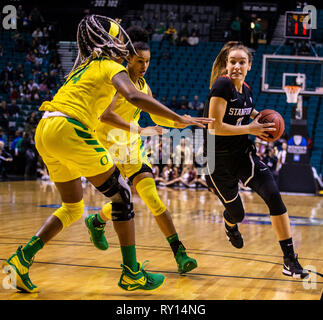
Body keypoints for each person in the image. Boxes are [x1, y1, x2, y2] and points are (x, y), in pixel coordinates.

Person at [3, 15, 209, 294]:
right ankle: (132, 274)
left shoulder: (86, 65)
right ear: (110, 42)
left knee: (73, 207)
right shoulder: (110, 65)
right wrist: (177, 118)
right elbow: (133, 98)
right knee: (123, 195)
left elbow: (139, 99)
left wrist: (177, 120)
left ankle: (21, 260)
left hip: (47, 128)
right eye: (121, 39)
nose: (125, 45)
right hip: (71, 129)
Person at [87, 26, 200, 274]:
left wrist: (183, 120)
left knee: (152, 199)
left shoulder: (144, 86)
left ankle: (180, 253)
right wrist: (138, 130)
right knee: (124, 201)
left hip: (131, 149)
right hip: (106, 147)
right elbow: (106, 115)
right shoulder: (116, 81)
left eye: (147, 61)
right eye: (140, 61)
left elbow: (157, 115)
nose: (144, 66)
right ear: (127, 58)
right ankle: (97, 220)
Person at [203, 41, 308, 279]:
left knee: (273, 195)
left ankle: (290, 260)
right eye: (233, 62)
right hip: (216, 160)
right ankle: (230, 224)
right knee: (237, 214)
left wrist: (262, 121)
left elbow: (247, 110)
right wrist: (251, 128)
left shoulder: (246, 90)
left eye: (242, 62)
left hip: (242, 155)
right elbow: (215, 128)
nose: (237, 66)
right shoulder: (222, 85)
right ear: (226, 65)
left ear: (250, 65)